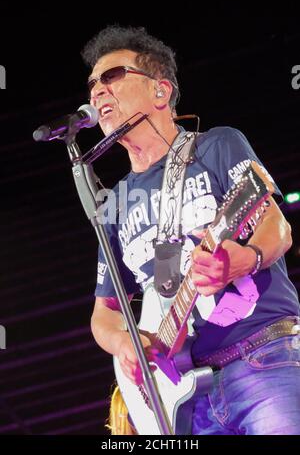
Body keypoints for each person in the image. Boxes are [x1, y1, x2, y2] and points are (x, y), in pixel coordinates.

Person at [81, 25, 300, 435]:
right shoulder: (113, 205)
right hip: (184, 400)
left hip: (261, 357)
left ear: (160, 92)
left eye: (112, 77)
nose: (96, 91)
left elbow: (277, 225)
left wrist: (245, 258)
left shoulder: (217, 146)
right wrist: (125, 343)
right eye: (92, 83)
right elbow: (103, 314)